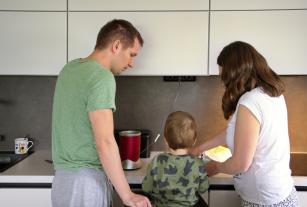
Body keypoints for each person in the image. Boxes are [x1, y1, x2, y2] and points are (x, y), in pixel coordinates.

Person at [51, 19, 151, 207]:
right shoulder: (102, 76)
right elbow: (104, 142)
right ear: (116, 46)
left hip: (62, 182)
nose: (132, 63)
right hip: (85, 184)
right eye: (131, 54)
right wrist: (128, 195)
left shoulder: (69, 69)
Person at [191, 41, 299, 206]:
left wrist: (215, 168)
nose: (223, 83)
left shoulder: (250, 101)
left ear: (236, 73)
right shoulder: (271, 94)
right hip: (280, 195)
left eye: (224, 77)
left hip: (265, 202)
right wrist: (199, 149)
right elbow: (235, 132)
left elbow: (240, 163)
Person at [142, 111, 209, 207]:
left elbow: (146, 187)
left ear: (165, 140)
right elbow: (203, 188)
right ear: (194, 141)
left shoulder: (157, 161)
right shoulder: (198, 163)